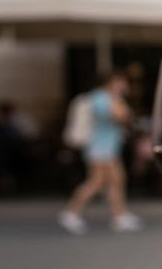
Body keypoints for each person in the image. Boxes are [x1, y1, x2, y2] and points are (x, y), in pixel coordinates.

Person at [59, 73, 142, 233]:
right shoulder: (100, 98)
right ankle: (70, 212)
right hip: (99, 147)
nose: (124, 86)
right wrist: (118, 100)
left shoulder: (106, 98)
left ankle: (119, 215)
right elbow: (121, 117)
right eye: (121, 82)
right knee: (96, 181)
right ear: (112, 82)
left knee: (116, 180)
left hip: (107, 147)